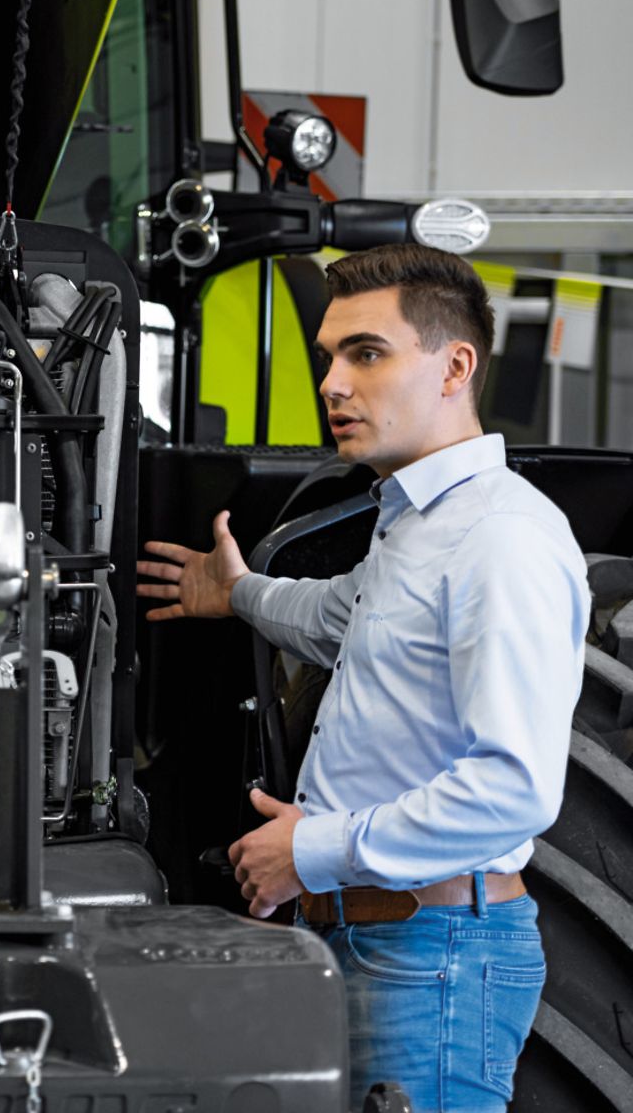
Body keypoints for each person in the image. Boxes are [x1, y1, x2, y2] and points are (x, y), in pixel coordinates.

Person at [136, 243, 590, 1113]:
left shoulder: (501, 538)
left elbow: (513, 788)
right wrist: (236, 593)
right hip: (372, 939)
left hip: (433, 955)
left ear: (455, 366)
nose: (333, 384)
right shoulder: (416, 525)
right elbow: (336, 615)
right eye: (329, 358)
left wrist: (308, 850)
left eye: (367, 354)